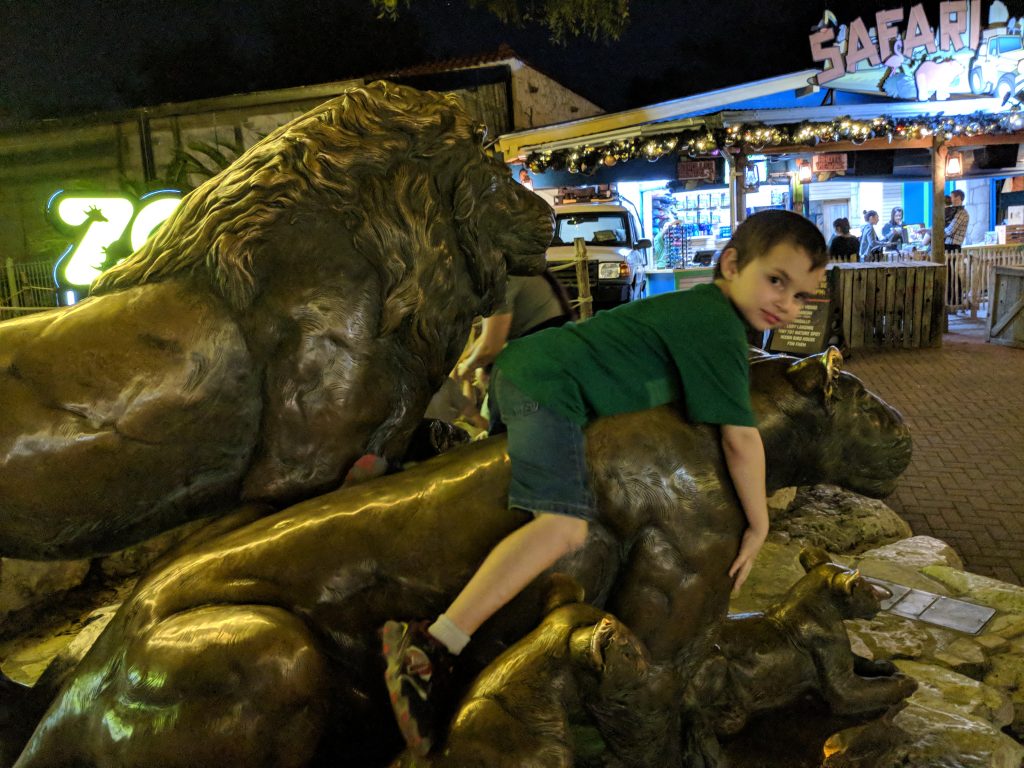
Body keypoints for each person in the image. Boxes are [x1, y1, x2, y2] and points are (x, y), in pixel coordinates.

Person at [380, 210, 828, 756]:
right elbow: (740, 438)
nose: (787, 304)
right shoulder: (715, 322)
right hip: (545, 382)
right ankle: (429, 646)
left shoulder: (709, 315)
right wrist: (760, 523)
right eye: (776, 280)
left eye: (801, 296)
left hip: (542, 372)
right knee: (562, 527)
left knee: (524, 513)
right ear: (732, 264)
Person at [456, 270, 575, 381]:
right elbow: (487, 338)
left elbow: (490, 348)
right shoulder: (508, 270)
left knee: (489, 375)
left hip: (546, 359)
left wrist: (465, 369)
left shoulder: (500, 280)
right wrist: (461, 363)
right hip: (555, 349)